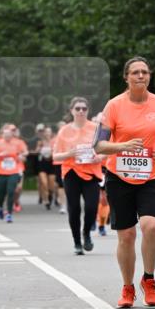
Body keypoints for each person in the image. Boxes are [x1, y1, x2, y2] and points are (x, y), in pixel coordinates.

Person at [94, 55, 155, 307]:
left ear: (149, 76)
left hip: (151, 176)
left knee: (151, 226)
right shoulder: (114, 106)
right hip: (119, 177)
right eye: (135, 72)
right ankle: (127, 287)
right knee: (127, 235)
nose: (141, 76)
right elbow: (98, 145)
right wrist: (122, 146)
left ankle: (149, 280)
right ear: (126, 77)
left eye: (145, 72)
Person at [53, 97, 104, 255]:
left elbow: (106, 150)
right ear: (72, 111)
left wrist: (99, 157)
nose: (81, 111)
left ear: (88, 111)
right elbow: (55, 156)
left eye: (84, 108)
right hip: (71, 172)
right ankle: (77, 242)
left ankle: (86, 233)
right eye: (77, 109)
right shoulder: (64, 131)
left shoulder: (96, 128)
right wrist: (69, 153)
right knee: (74, 208)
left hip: (91, 172)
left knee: (91, 207)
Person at [0, 123, 28, 221]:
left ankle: (9, 213)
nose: (7, 136)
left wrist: (21, 156)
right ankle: (1, 208)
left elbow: (25, 153)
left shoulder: (17, 143)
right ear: (2, 135)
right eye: (5, 135)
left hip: (13, 171)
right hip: (0, 172)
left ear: (12, 135)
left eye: (9, 134)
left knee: (11, 191)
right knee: (1, 194)